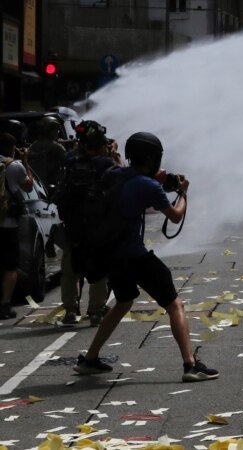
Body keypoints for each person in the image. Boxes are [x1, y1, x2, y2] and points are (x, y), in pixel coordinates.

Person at [73, 131, 218, 383]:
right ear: (153, 158)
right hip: (134, 254)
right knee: (175, 305)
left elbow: (137, 179)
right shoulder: (148, 186)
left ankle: (90, 359)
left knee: (123, 301)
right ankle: (190, 365)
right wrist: (182, 193)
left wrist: (163, 178)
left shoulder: (113, 173)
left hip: (112, 254)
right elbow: (174, 216)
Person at [56, 121, 119, 326]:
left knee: (69, 271)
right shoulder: (106, 164)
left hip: (73, 226)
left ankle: (70, 311)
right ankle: (96, 311)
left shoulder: (70, 160)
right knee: (99, 271)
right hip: (97, 227)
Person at [0, 133, 34, 320]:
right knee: (10, 266)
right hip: (7, 223)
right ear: (12, 147)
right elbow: (28, 187)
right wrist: (25, 161)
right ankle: (5, 304)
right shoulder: (14, 166)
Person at [27, 116, 67, 190]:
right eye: (56, 130)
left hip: (36, 184)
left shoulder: (34, 144)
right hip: (50, 185)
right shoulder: (57, 147)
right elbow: (67, 162)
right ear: (50, 130)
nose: (57, 132)